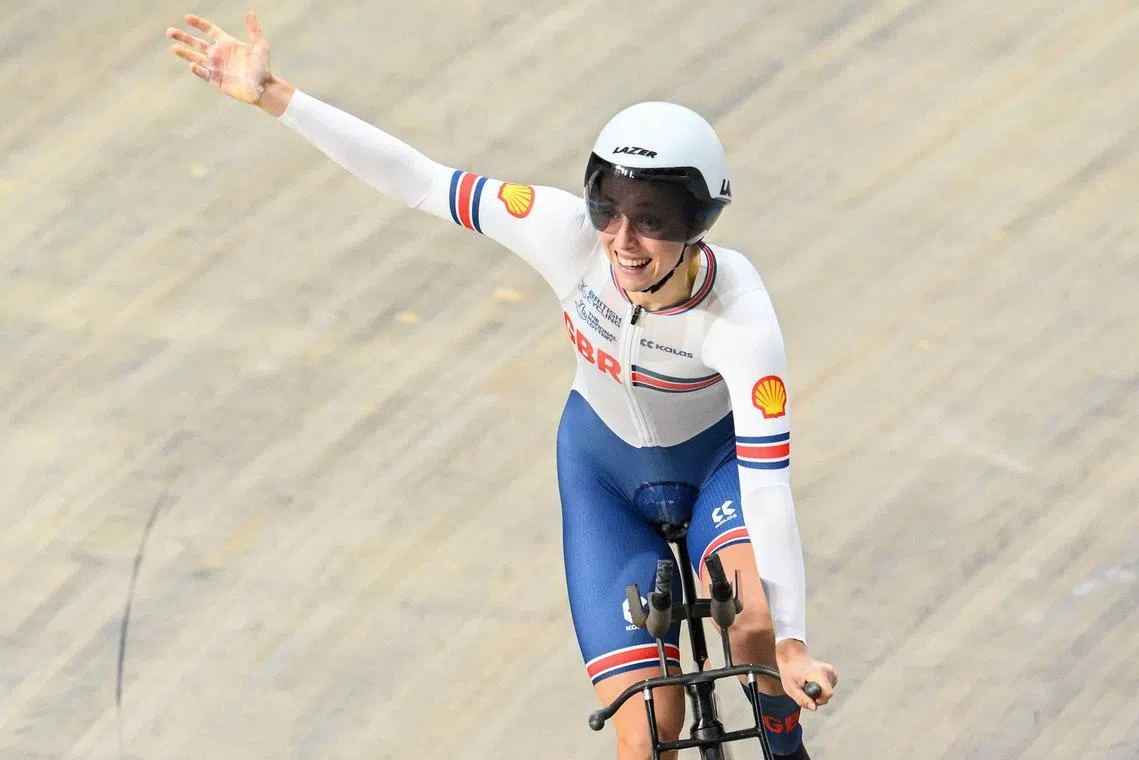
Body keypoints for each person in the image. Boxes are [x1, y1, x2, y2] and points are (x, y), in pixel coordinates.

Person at [166, 11, 838, 760]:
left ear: (698, 224)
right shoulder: (562, 231)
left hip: (715, 470)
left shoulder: (740, 316)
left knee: (753, 624)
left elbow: (767, 484)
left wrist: (793, 644)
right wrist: (275, 96)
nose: (622, 240)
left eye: (652, 221)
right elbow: (424, 181)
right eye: (608, 209)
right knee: (650, 734)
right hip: (605, 478)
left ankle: (783, 738)